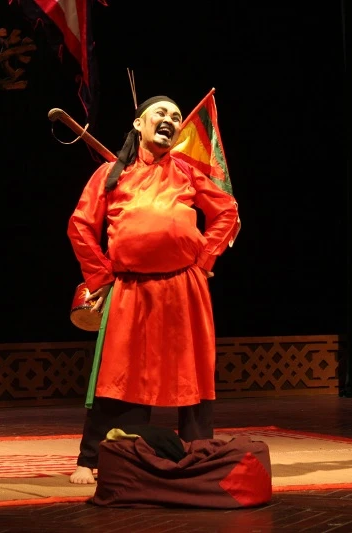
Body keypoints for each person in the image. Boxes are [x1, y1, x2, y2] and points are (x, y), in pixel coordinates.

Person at [66, 95, 240, 484]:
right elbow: (80, 225)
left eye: (176, 116)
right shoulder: (110, 173)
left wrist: (204, 258)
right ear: (138, 124)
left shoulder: (187, 172)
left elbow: (227, 210)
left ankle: (196, 455)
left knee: (192, 371)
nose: (170, 119)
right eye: (160, 113)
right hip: (131, 287)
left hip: (184, 286)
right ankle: (97, 457)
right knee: (120, 373)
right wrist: (101, 276)